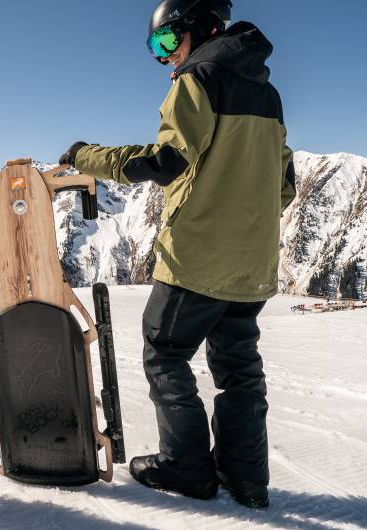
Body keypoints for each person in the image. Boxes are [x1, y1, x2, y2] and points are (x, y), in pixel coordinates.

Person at [58, 0, 295, 508]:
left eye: (166, 42)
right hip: (252, 265)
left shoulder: (198, 78)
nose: (164, 58)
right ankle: (247, 479)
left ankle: (188, 468)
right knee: (239, 369)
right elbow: (285, 185)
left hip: (196, 258)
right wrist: (242, 215)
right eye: (156, 48)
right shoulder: (268, 93)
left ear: (197, 27)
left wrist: (86, 157)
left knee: (164, 351)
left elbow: (163, 161)